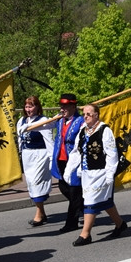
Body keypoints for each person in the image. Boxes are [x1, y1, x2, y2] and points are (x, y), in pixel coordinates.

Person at [69, 103, 127, 246]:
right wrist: (69, 169)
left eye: (89, 114)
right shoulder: (83, 130)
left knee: (90, 201)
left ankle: (85, 234)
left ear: (96, 115)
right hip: (87, 173)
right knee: (104, 201)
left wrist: (110, 174)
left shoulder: (104, 130)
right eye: (84, 114)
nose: (85, 116)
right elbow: (76, 152)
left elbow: (112, 154)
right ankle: (120, 224)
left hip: (101, 172)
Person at [51, 93, 85, 233]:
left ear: (73, 107)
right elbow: (43, 125)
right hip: (60, 160)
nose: (62, 109)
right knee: (63, 187)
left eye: (65, 106)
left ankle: (71, 223)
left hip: (73, 161)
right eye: (61, 106)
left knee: (74, 191)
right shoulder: (59, 120)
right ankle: (85, 206)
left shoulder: (81, 121)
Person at [17, 95, 53, 227]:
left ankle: (39, 214)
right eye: (26, 106)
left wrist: (51, 158)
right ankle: (41, 212)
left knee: (36, 182)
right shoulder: (21, 120)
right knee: (31, 184)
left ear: (37, 107)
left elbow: (49, 141)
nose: (28, 109)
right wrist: (20, 153)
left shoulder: (43, 120)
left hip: (40, 154)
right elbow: (20, 138)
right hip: (27, 155)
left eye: (31, 106)